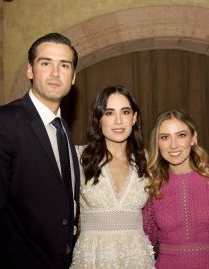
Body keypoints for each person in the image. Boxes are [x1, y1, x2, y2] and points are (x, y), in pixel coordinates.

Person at [0, 32, 81, 269]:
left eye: (64, 65)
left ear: (73, 77)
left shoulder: (62, 129)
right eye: (45, 63)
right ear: (30, 71)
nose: (56, 73)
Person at [71, 86, 155, 269]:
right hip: (92, 259)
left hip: (137, 260)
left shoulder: (148, 160)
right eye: (109, 113)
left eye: (125, 112)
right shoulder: (78, 157)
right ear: (98, 119)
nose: (118, 121)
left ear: (134, 118)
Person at [143, 108, 209, 269]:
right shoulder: (152, 185)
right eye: (165, 137)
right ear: (157, 142)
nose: (173, 145)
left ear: (193, 138)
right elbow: (147, 238)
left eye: (181, 135)